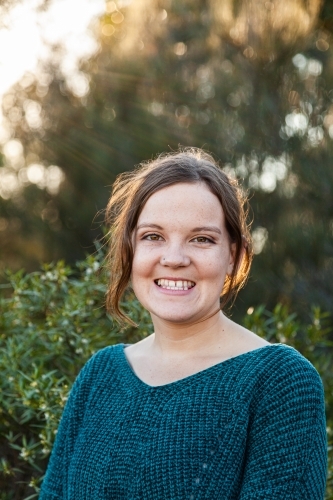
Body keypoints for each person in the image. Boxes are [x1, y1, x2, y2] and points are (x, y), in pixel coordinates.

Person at [39, 148, 327, 499]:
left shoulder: (280, 381)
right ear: (131, 249)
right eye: (153, 236)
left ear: (233, 256)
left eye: (201, 239)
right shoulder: (100, 375)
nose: (173, 258)